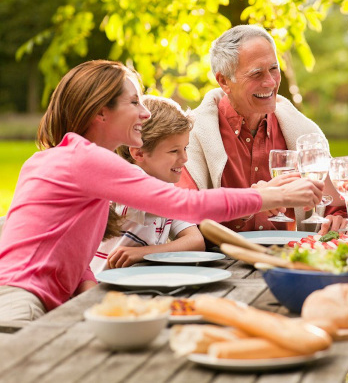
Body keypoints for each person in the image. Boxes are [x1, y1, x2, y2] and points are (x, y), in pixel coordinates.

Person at [0, 60, 323, 322]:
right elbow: (184, 204)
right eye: (133, 102)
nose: (144, 112)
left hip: (39, 299)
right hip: (21, 300)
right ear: (101, 112)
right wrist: (275, 196)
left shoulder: (67, 158)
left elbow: (66, 244)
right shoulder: (86, 159)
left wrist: (88, 289)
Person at [177, 24, 348, 234]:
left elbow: (341, 208)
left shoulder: (302, 132)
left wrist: (338, 219)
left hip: (291, 257)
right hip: (222, 261)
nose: (270, 82)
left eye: (274, 69)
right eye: (256, 74)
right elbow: (184, 214)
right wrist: (253, 202)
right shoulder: (193, 136)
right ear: (224, 81)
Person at [91, 95, 206, 274]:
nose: (184, 159)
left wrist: (144, 253)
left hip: (136, 279)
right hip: (101, 284)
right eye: (174, 151)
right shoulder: (128, 180)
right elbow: (174, 205)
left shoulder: (167, 187)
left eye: (185, 148)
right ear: (139, 154)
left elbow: (195, 241)